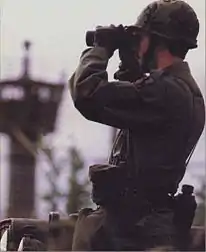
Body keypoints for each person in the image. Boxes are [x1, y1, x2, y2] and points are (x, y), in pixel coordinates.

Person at [69, 0, 205, 250]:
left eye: (140, 39)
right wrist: (131, 64)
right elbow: (137, 104)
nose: (137, 46)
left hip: (130, 232)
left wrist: (100, 49)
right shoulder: (183, 90)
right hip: (147, 224)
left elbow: (86, 93)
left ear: (156, 41)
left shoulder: (165, 92)